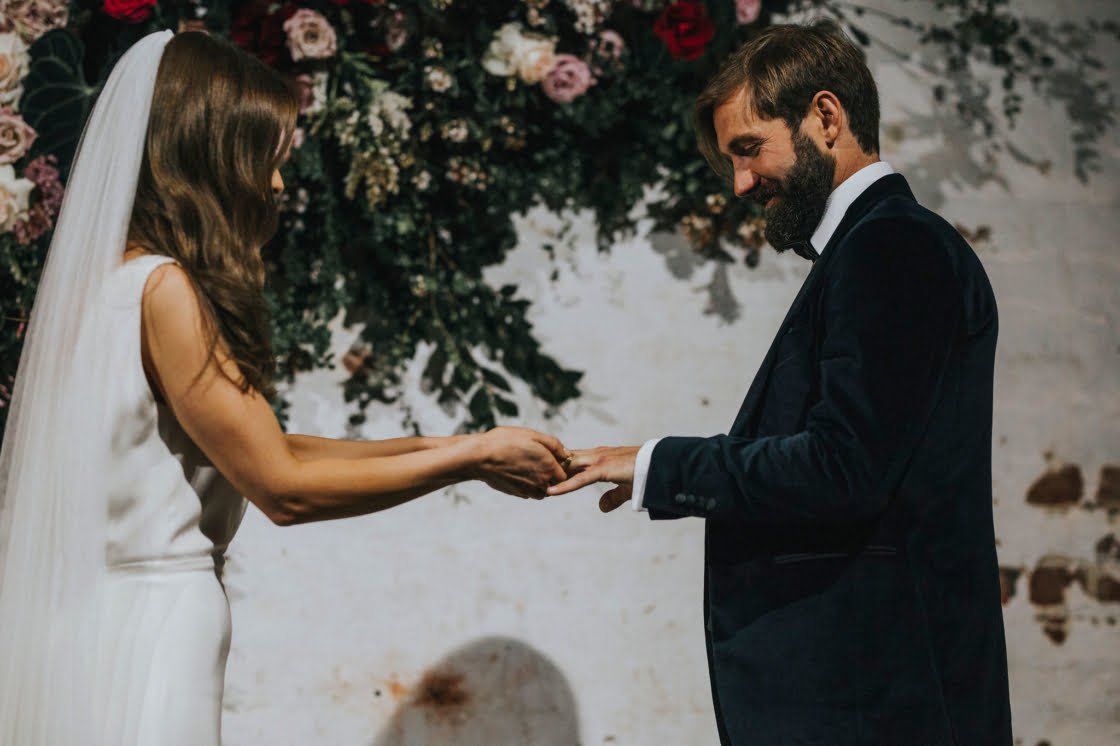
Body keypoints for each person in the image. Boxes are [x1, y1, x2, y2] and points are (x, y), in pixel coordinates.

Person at [0, 30, 569, 746]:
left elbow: (266, 448)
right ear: (212, 156)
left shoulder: (104, 286)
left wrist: (465, 447)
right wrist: (470, 460)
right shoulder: (165, 289)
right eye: (266, 160)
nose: (275, 185)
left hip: (94, 628)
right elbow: (283, 487)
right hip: (153, 627)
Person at [550, 21, 1013, 746]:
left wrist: (657, 465)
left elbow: (843, 468)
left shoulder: (892, 245)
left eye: (748, 148)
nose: (739, 183)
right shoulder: (875, 247)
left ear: (825, 117)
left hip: (882, 709)